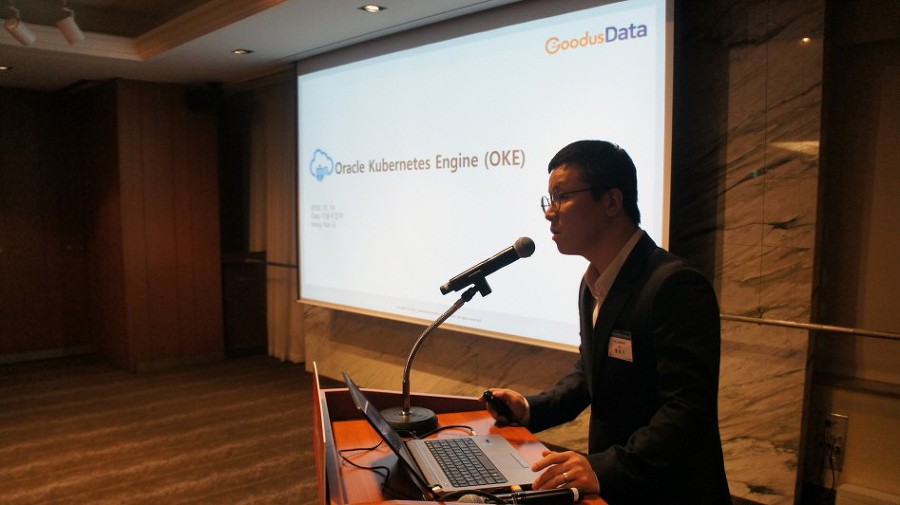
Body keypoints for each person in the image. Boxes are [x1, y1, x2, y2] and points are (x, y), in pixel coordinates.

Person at [481, 140, 731, 504]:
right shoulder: (593, 283)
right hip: (614, 490)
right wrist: (531, 408)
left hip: (669, 491)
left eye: (562, 197)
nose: (549, 213)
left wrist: (603, 467)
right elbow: (590, 372)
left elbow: (687, 411)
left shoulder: (674, 285)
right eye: (548, 199)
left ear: (612, 202)